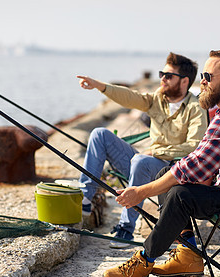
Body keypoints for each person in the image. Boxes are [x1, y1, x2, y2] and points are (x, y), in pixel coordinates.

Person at [102, 49, 220, 277]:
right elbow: (200, 162)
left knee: (180, 194)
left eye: (208, 77)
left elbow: (196, 165)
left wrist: (141, 192)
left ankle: (145, 259)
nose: (203, 82)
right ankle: (188, 254)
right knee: (166, 176)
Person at [76, 52, 208, 247]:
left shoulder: (195, 108)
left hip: (169, 174)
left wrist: (156, 153)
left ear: (184, 81)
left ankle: (125, 230)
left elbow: (194, 147)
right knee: (99, 134)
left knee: (140, 160)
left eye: (168, 75)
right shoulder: (158, 99)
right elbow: (131, 97)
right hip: (144, 166)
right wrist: (100, 86)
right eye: (162, 73)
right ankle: (85, 199)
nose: (162, 78)